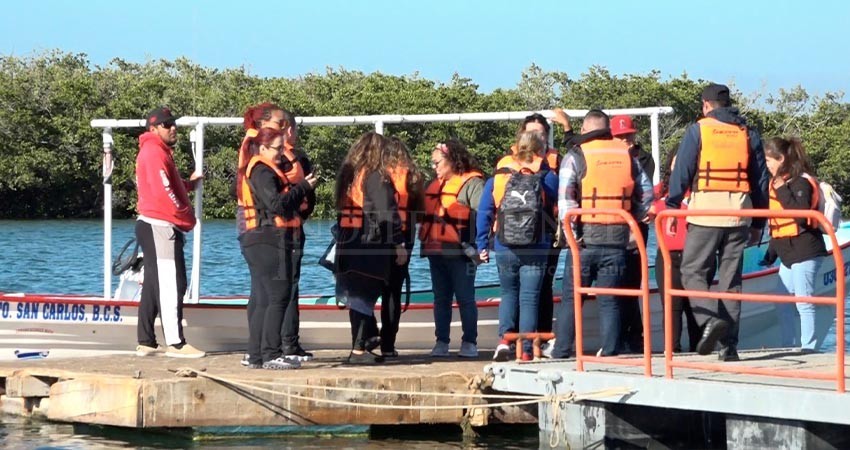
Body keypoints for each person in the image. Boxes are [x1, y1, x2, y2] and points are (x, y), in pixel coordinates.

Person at [665, 83, 769, 361]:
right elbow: (761, 179)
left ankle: (710, 320)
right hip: (740, 214)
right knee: (731, 281)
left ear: (706, 106)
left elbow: (683, 171)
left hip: (705, 213)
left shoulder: (699, 130)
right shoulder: (748, 132)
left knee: (691, 272)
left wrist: (672, 205)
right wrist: (761, 220)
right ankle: (729, 347)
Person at [551, 110, 653, 359]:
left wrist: (573, 236)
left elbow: (566, 201)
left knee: (572, 298)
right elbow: (647, 194)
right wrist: (635, 216)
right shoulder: (627, 154)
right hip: (618, 239)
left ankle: (562, 350)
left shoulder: (576, 155)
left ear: (585, 130)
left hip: (584, 241)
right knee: (610, 300)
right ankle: (609, 351)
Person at [236, 104, 316, 367]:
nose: (282, 154)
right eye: (278, 149)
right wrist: (304, 186)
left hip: (263, 236)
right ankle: (271, 353)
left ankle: (256, 354)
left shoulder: (261, 168)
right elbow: (277, 205)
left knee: (262, 296)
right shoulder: (261, 170)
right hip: (266, 237)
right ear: (262, 148)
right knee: (277, 295)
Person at [477, 131, 559, 361]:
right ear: (540, 150)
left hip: (505, 246)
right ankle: (525, 351)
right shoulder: (548, 177)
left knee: (508, 294)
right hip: (536, 246)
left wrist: (482, 243)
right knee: (530, 297)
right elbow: (557, 207)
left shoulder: (499, 177)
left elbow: (485, 211)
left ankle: (504, 341)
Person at [134, 107, 205, 358]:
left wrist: (190, 184)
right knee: (171, 283)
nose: (172, 127)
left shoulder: (158, 152)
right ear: (153, 129)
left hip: (154, 224)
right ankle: (175, 344)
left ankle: (146, 341)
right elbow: (166, 194)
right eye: (166, 125)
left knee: (154, 284)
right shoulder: (154, 152)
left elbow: (167, 185)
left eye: (173, 123)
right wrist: (187, 217)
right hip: (159, 225)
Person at [335, 132, 407, 364]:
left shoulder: (348, 175)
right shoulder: (375, 176)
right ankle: (358, 350)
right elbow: (387, 213)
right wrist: (398, 243)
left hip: (348, 243)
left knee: (356, 298)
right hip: (369, 245)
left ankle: (363, 343)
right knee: (364, 297)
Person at [762, 137, 831, 352]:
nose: (767, 165)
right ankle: (787, 344)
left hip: (806, 250)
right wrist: (770, 254)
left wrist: (782, 189)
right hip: (788, 253)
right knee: (782, 300)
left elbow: (800, 215)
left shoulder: (800, 182)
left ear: (781, 159)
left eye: (768, 160)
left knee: (803, 300)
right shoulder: (777, 183)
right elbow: (778, 224)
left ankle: (808, 347)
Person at [420, 139, 485, 358]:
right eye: (433, 163)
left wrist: (483, 246)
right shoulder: (433, 185)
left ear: (451, 161)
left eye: (437, 162)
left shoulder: (471, 184)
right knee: (440, 299)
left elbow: (484, 215)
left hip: (461, 252)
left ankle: (469, 342)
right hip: (434, 252)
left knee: (465, 297)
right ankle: (441, 341)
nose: (434, 167)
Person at [652, 148, 708, 352]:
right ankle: (672, 353)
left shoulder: (702, 192)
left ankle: (700, 353)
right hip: (667, 258)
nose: (680, 168)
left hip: (697, 257)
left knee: (697, 307)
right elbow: (642, 208)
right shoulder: (659, 191)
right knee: (671, 308)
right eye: (676, 163)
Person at [610, 115, 656, 353]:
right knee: (615, 282)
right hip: (611, 229)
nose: (625, 140)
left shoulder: (644, 159)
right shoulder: (606, 158)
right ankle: (618, 338)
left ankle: (635, 339)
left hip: (636, 228)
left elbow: (643, 193)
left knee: (632, 281)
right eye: (620, 136)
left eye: (628, 135)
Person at [513, 113, 562, 334]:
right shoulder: (508, 163)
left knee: (544, 285)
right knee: (514, 288)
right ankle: (513, 336)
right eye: (531, 133)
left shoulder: (556, 163)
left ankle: (541, 335)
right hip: (513, 232)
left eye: (540, 134)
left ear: (547, 136)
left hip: (547, 233)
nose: (536, 139)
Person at [380, 137, 424, 357]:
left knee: (372, 289)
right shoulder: (414, 177)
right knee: (393, 293)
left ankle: (364, 339)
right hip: (405, 237)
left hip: (379, 237)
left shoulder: (378, 174)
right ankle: (388, 344)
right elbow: (419, 213)